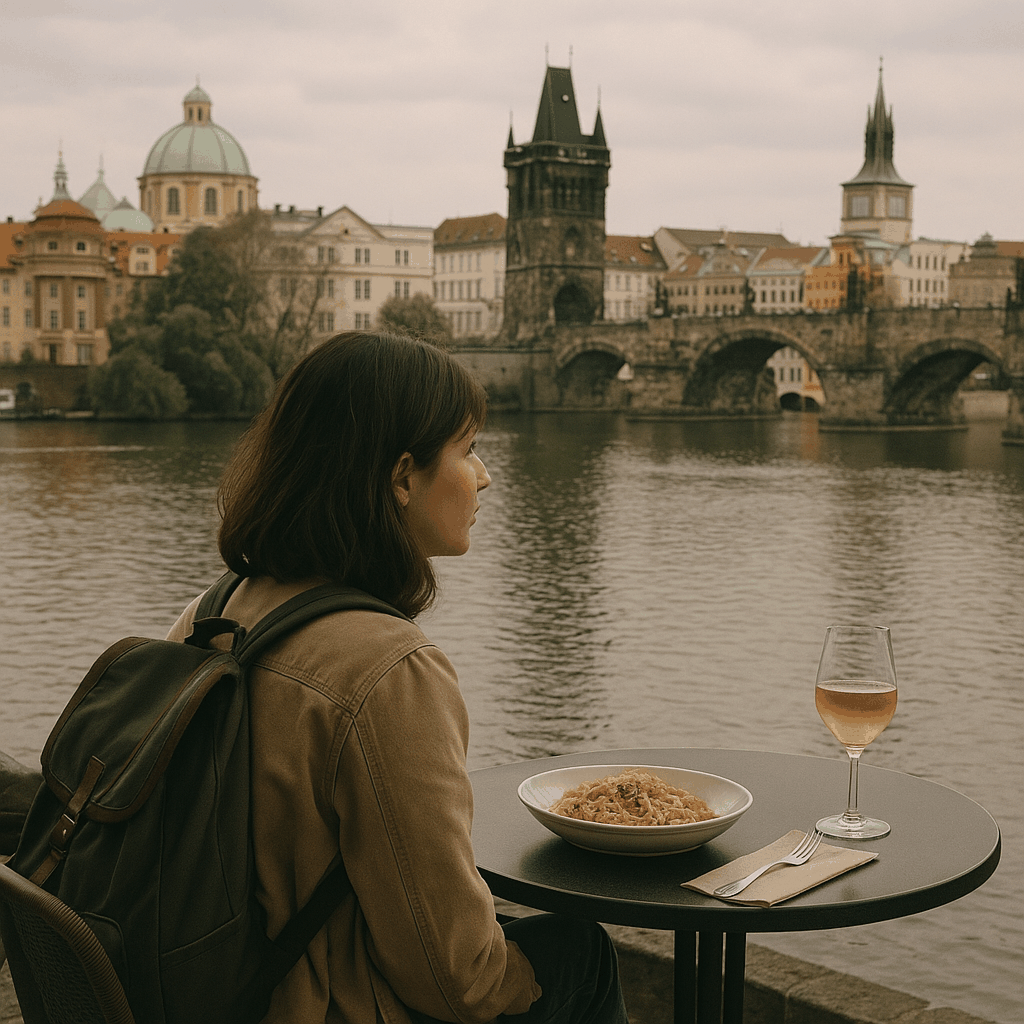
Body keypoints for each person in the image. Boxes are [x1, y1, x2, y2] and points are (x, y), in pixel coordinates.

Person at [166, 332, 628, 1024]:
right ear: (403, 477)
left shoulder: (211, 610)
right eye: (469, 449)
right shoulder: (387, 668)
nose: (486, 474)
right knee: (576, 952)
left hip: (190, 984)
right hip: (305, 1006)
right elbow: (456, 980)